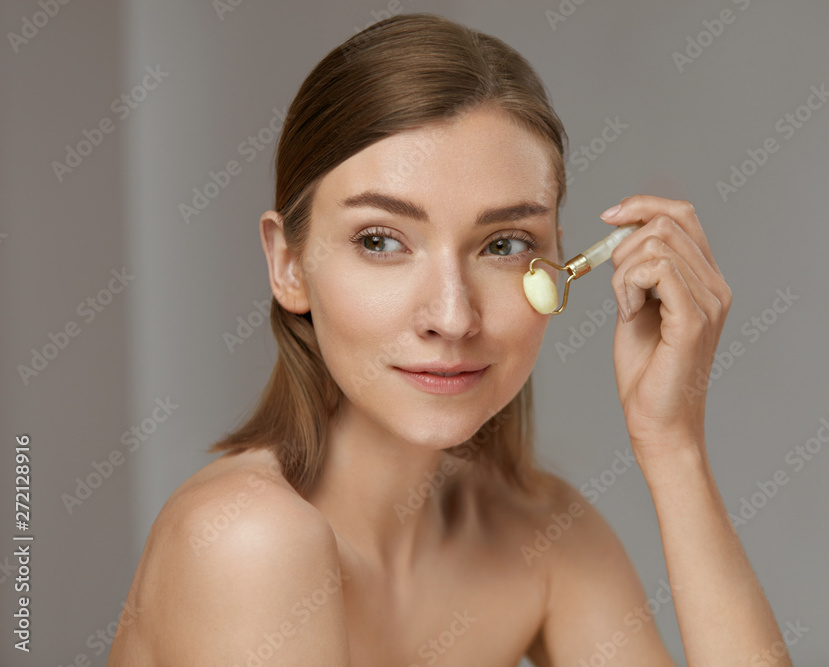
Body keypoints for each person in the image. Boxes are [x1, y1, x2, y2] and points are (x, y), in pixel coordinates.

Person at [109, 12, 791, 666]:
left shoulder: (539, 535)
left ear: (558, 263)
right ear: (288, 264)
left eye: (503, 244)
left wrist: (671, 443)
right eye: (381, 241)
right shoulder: (247, 539)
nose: (453, 315)